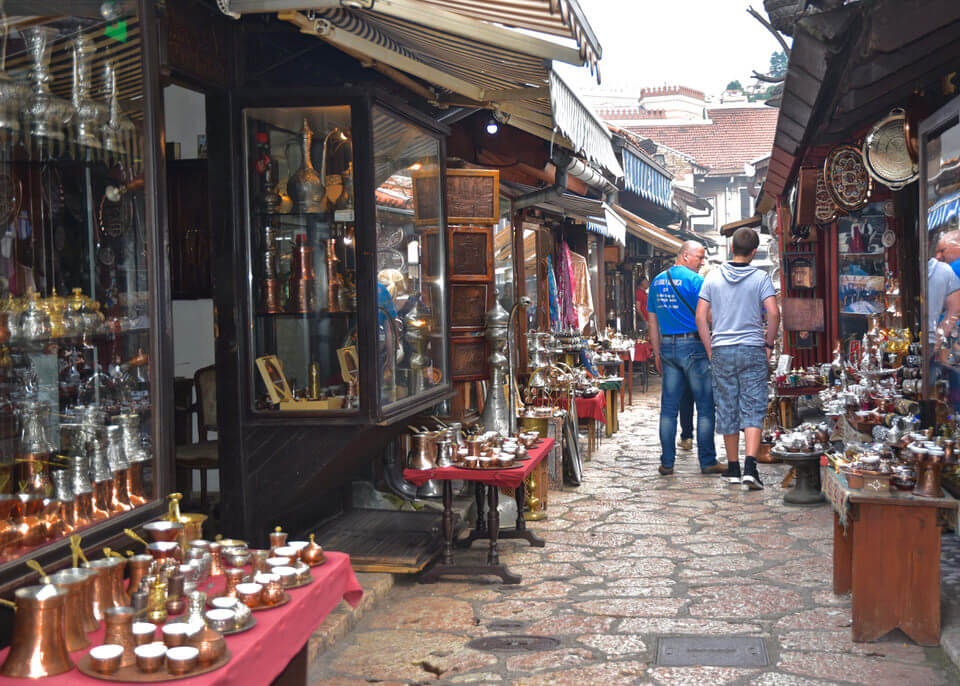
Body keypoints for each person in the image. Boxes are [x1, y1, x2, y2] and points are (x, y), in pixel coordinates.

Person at [696, 228, 779, 490]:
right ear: (753, 252)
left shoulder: (712, 276)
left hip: (722, 348)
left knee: (727, 405)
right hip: (753, 348)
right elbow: (774, 314)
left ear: (732, 248)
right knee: (753, 406)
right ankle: (750, 468)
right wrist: (768, 344)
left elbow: (700, 316)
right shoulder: (761, 277)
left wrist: (710, 347)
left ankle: (732, 468)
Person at [647, 241, 723, 476]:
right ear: (685, 256)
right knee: (705, 406)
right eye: (699, 257)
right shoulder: (696, 281)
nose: (702, 262)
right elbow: (708, 317)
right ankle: (708, 461)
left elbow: (652, 321)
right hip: (693, 347)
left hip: (668, 346)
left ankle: (667, 463)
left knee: (669, 409)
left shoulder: (657, 281)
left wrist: (657, 351)